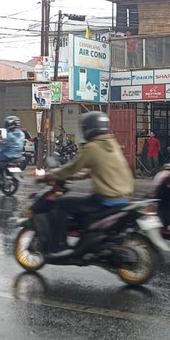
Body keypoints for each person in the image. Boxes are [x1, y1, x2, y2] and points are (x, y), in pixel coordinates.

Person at [38, 111, 134, 258]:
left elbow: (71, 168)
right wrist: (83, 176)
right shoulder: (111, 143)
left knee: (62, 203)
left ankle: (58, 247)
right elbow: (104, 166)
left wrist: (48, 176)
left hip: (106, 199)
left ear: (88, 129)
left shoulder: (92, 147)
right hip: (123, 197)